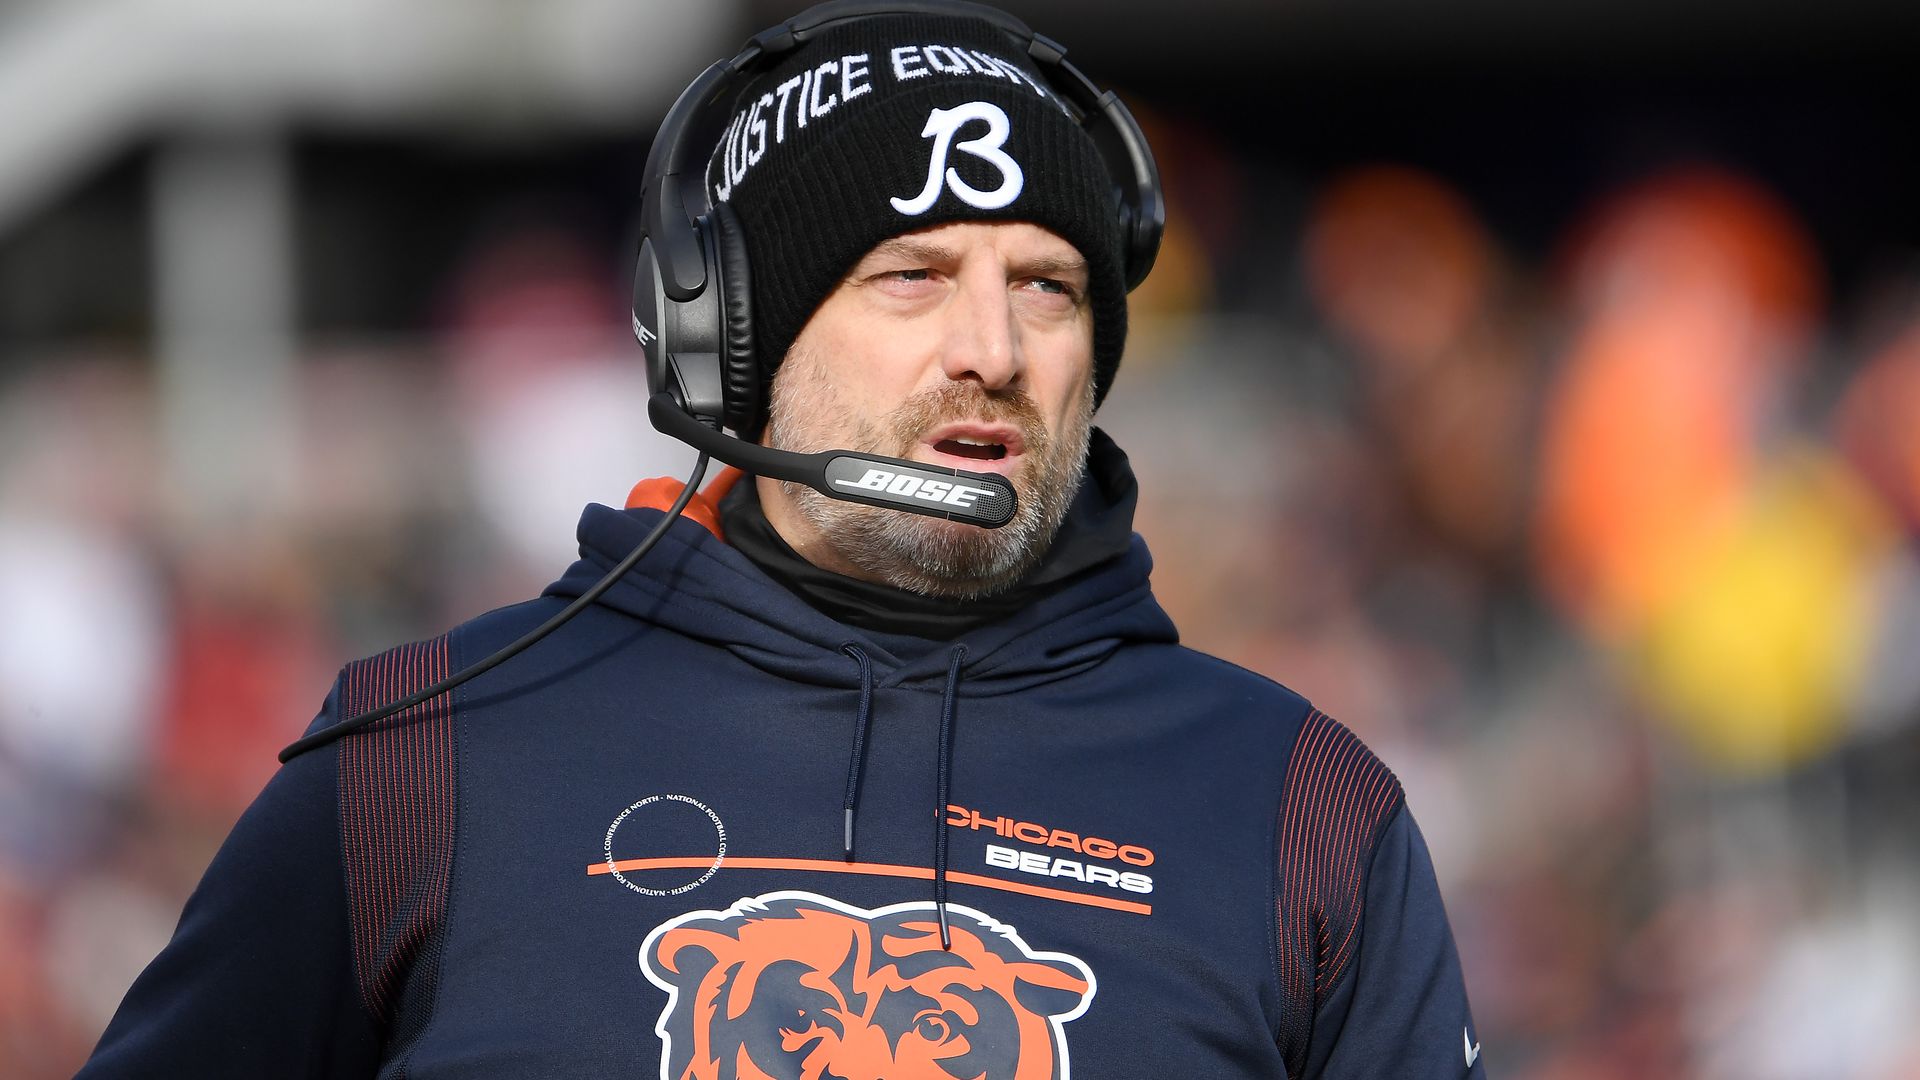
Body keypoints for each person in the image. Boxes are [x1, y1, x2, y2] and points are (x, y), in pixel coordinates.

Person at [81, 3, 1484, 1076]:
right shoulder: (423, 758)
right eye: (912, 277)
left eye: (1047, 287)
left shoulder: (1303, 809)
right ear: (732, 341)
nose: (990, 350)